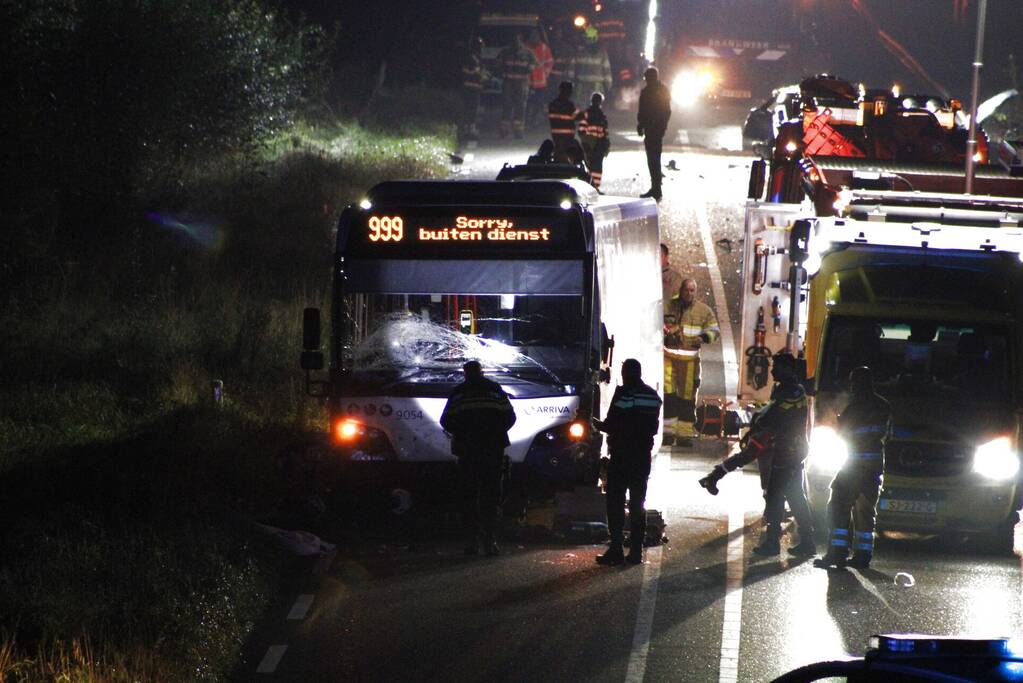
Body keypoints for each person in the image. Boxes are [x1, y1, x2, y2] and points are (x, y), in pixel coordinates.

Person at [698, 352, 816, 556]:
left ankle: (773, 543)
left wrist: (757, 425)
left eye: (776, 366)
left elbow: (775, 415)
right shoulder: (785, 389)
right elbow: (772, 413)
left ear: (787, 368)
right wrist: (758, 425)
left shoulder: (792, 391)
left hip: (788, 450)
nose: (772, 370)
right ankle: (806, 543)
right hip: (788, 448)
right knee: (795, 495)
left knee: (775, 495)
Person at [814, 366, 891, 570]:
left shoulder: (855, 407)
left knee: (838, 504)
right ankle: (863, 556)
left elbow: (844, 433)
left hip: (855, 464)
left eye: (852, 382)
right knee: (865, 510)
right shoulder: (884, 406)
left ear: (856, 383)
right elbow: (886, 435)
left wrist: (837, 419)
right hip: (875, 465)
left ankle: (837, 553)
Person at [440, 360, 517, 556]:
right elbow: (510, 416)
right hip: (493, 450)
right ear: (481, 372)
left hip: (468, 451)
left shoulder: (459, 392)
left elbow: (445, 420)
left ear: (465, 373)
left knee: (469, 496)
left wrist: (463, 435)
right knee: (491, 496)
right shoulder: (494, 389)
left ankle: (472, 542)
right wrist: (495, 433)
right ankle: (490, 541)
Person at [593, 358, 663, 566]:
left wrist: (595, 424)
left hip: (622, 455)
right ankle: (636, 552)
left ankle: (615, 548)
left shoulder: (624, 394)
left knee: (615, 501)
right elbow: (650, 427)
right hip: (642, 457)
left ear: (625, 373)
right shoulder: (653, 396)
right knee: (637, 503)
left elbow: (613, 425)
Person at [663, 279, 719, 446]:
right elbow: (653, 323)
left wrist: (703, 338)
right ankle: (667, 433)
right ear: (680, 290)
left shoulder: (703, 311)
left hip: (689, 362)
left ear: (696, 292)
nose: (689, 293)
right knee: (669, 396)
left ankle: (684, 435)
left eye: (692, 290)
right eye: (686, 290)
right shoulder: (667, 306)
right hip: (668, 358)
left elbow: (714, 330)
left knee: (687, 399)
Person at [637, 66, 671, 200]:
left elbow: (666, 111)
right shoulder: (656, 90)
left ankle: (656, 188)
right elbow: (643, 111)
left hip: (655, 130)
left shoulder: (656, 91)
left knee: (654, 159)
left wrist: (660, 126)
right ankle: (656, 187)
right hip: (652, 129)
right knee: (653, 159)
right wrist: (641, 125)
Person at [497, 33, 539, 139]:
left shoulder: (528, 53)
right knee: (507, 105)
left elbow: (536, 63)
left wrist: (530, 68)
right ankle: (504, 130)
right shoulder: (505, 52)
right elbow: (497, 64)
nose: (516, 42)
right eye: (514, 40)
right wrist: (501, 72)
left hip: (522, 83)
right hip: (508, 83)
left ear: (521, 41)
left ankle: (518, 131)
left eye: (517, 40)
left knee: (520, 106)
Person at [578, 92, 610, 190]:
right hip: (591, 145)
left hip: (596, 145)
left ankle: (594, 188)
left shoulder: (600, 115)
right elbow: (581, 131)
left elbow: (605, 132)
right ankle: (592, 188)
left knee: (595, 168)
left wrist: (606, 144)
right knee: (593, 167)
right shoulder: (597, 115)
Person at [573, 33, 612, 106]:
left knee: (581, 108)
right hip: (596, 86)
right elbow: (607, 71)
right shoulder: (602, 53)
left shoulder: (579, 52)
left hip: (582, 86)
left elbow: (572, 70)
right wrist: (608, 86)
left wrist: (570, 82)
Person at [525, 29, 553, 129]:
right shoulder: (526, 47)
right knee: (527, 102)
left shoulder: (544, 48)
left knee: (539, 102)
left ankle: (533, 120)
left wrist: (545, 73)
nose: (534, 39)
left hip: (540, 82)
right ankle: (527, 120)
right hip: (527, 81)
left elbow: (549, 62)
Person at [459, 36, 485, 142]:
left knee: (469, 109)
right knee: (471, 109)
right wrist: (482, 76)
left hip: (470, 87)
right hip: (471, 87)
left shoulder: (472, 56)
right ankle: (469, 130)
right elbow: (475, 73)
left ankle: (467, 129)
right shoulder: (472, 58)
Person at [547, 81, 581, 162]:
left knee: (558, 152)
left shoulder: (553, 104)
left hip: (556, 135)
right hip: (567, 135)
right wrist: (582, 112)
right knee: (568, 154)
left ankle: (557, 166)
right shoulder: (569, 105)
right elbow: (577, 116)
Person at [660, 243, 682, 307]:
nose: (657, 258)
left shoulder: (675, 278)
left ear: (666, 257)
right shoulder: (645, 274)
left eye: (660, 255)